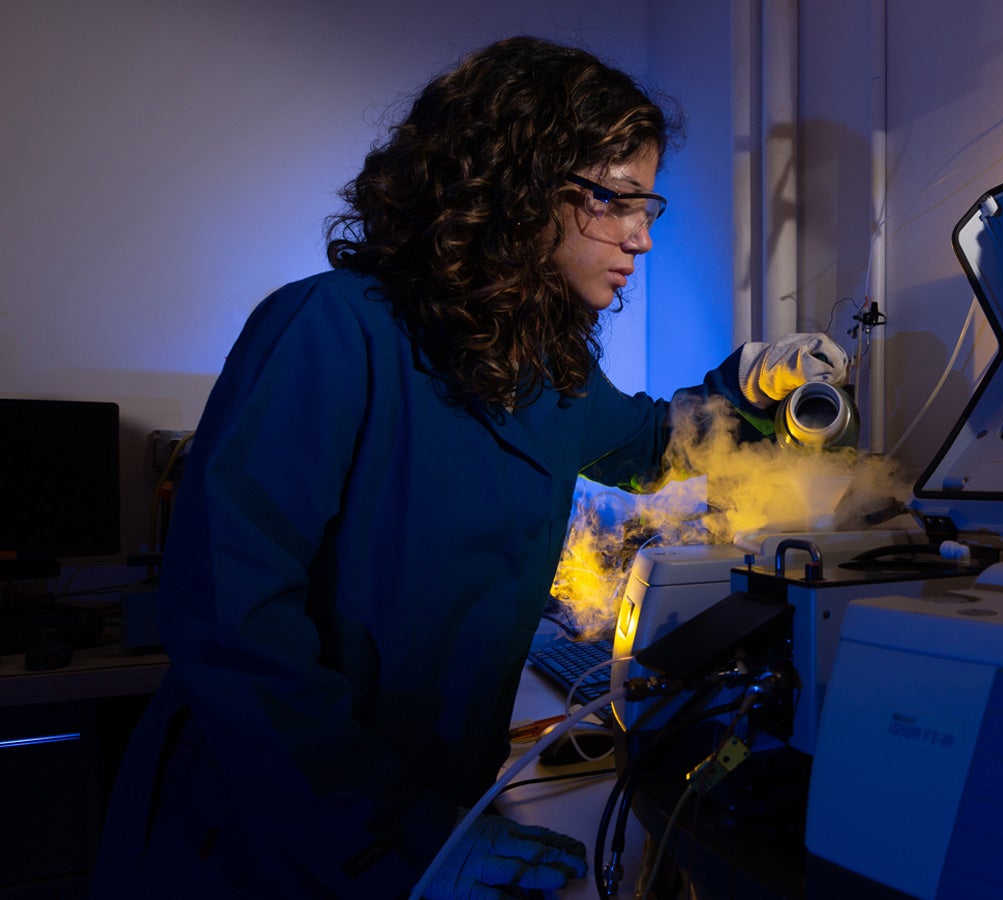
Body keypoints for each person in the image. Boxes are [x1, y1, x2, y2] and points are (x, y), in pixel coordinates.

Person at [91, 35, 846, 899]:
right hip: (269, 830)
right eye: (616, 200)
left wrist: (752, 384)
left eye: (650, 207)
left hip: (425, 799)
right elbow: (234, 627)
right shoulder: (332, 330)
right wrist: (391, 837)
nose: (640, 237)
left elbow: (653, 445)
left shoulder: (546, 374)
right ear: (515, 192)